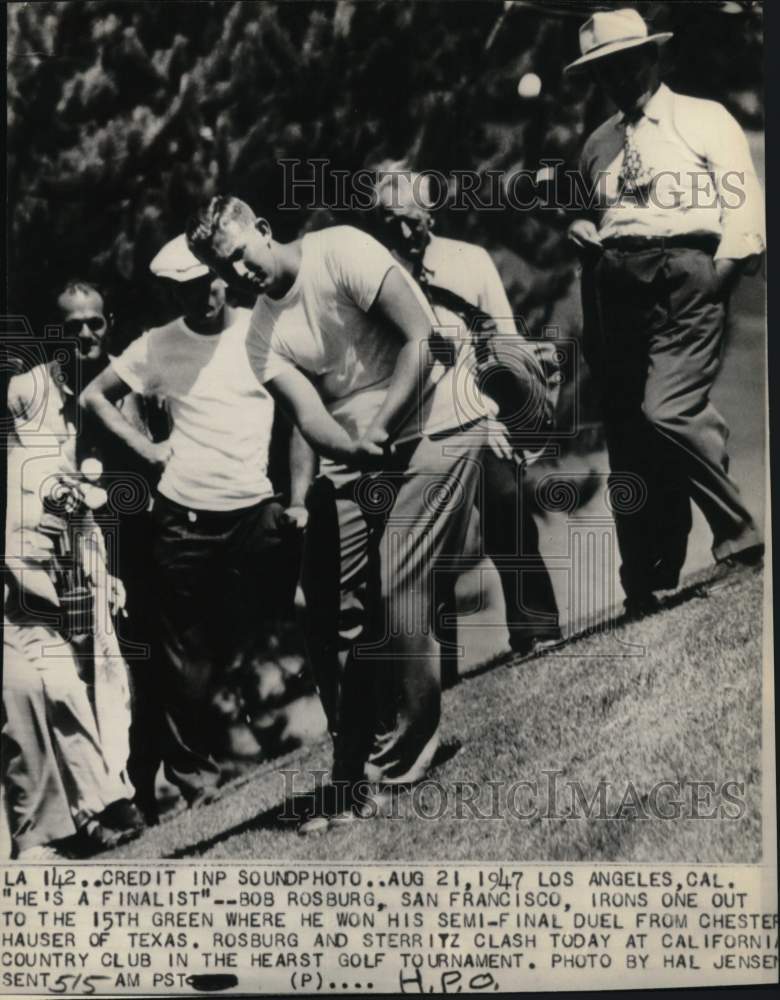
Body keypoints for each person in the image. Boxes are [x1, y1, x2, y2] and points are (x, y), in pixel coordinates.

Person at [186, 197, 488, 830]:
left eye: (242, 255)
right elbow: (312, 419)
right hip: (360, 454)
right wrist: (352, 447)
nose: (240, 274)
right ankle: (352, 775)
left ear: (264, 231)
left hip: (439, 423)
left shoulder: (342, 250)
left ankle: (397, 766)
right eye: (226, 268)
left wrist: (377, 427)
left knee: (396, 585)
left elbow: (421, 338)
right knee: (318, 606)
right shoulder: (262, 336)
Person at [81, 235, 298, 818]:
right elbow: (94, 397)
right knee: (183, 661)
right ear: (171, 293)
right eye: (186, 289)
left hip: (258, 510)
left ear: (226, 276)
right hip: (187, 519)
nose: (204, 296)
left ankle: (352, 723)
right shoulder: (156, 346)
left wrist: (299, 497)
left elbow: (303, 411)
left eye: (209, 282)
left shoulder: (263, 326)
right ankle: (197, 782)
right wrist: (149, 452)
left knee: (315, 606)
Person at [565, 8, 765, 616]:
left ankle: (740, 534)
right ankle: (648, 578)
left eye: (626, 62)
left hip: (686, 277)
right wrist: (584, 232)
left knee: (667, 409)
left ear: (653, 57)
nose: (618, 77)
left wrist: (717, 280)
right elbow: (596, 215)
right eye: (604, 70)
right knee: (630, 434)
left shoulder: (704, 119)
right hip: (615, 288)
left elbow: (746, 211)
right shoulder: (598, 145)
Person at [370, 162, 562, 658]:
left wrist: (499, 415)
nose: (407, 231)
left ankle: (535, 630)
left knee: (507, 504)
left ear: (430, 210)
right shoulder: (373, 279)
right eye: (392, 222)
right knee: (424, 555)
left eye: (413, 218)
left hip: (479, 414)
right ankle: (439, 672)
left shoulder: (469, 260)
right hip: (414, 428)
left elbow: (508, 349)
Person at [4, 280, 144, 857]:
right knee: (55, 679)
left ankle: (110, 800)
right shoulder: (29, 392)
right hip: (31, 553)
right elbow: (29, 485)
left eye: (94, 323)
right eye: (70, 326)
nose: (83, 334)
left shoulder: (122, 383)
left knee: (108, 680)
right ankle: (99, 809)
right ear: (51, 333)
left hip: (94, 552)